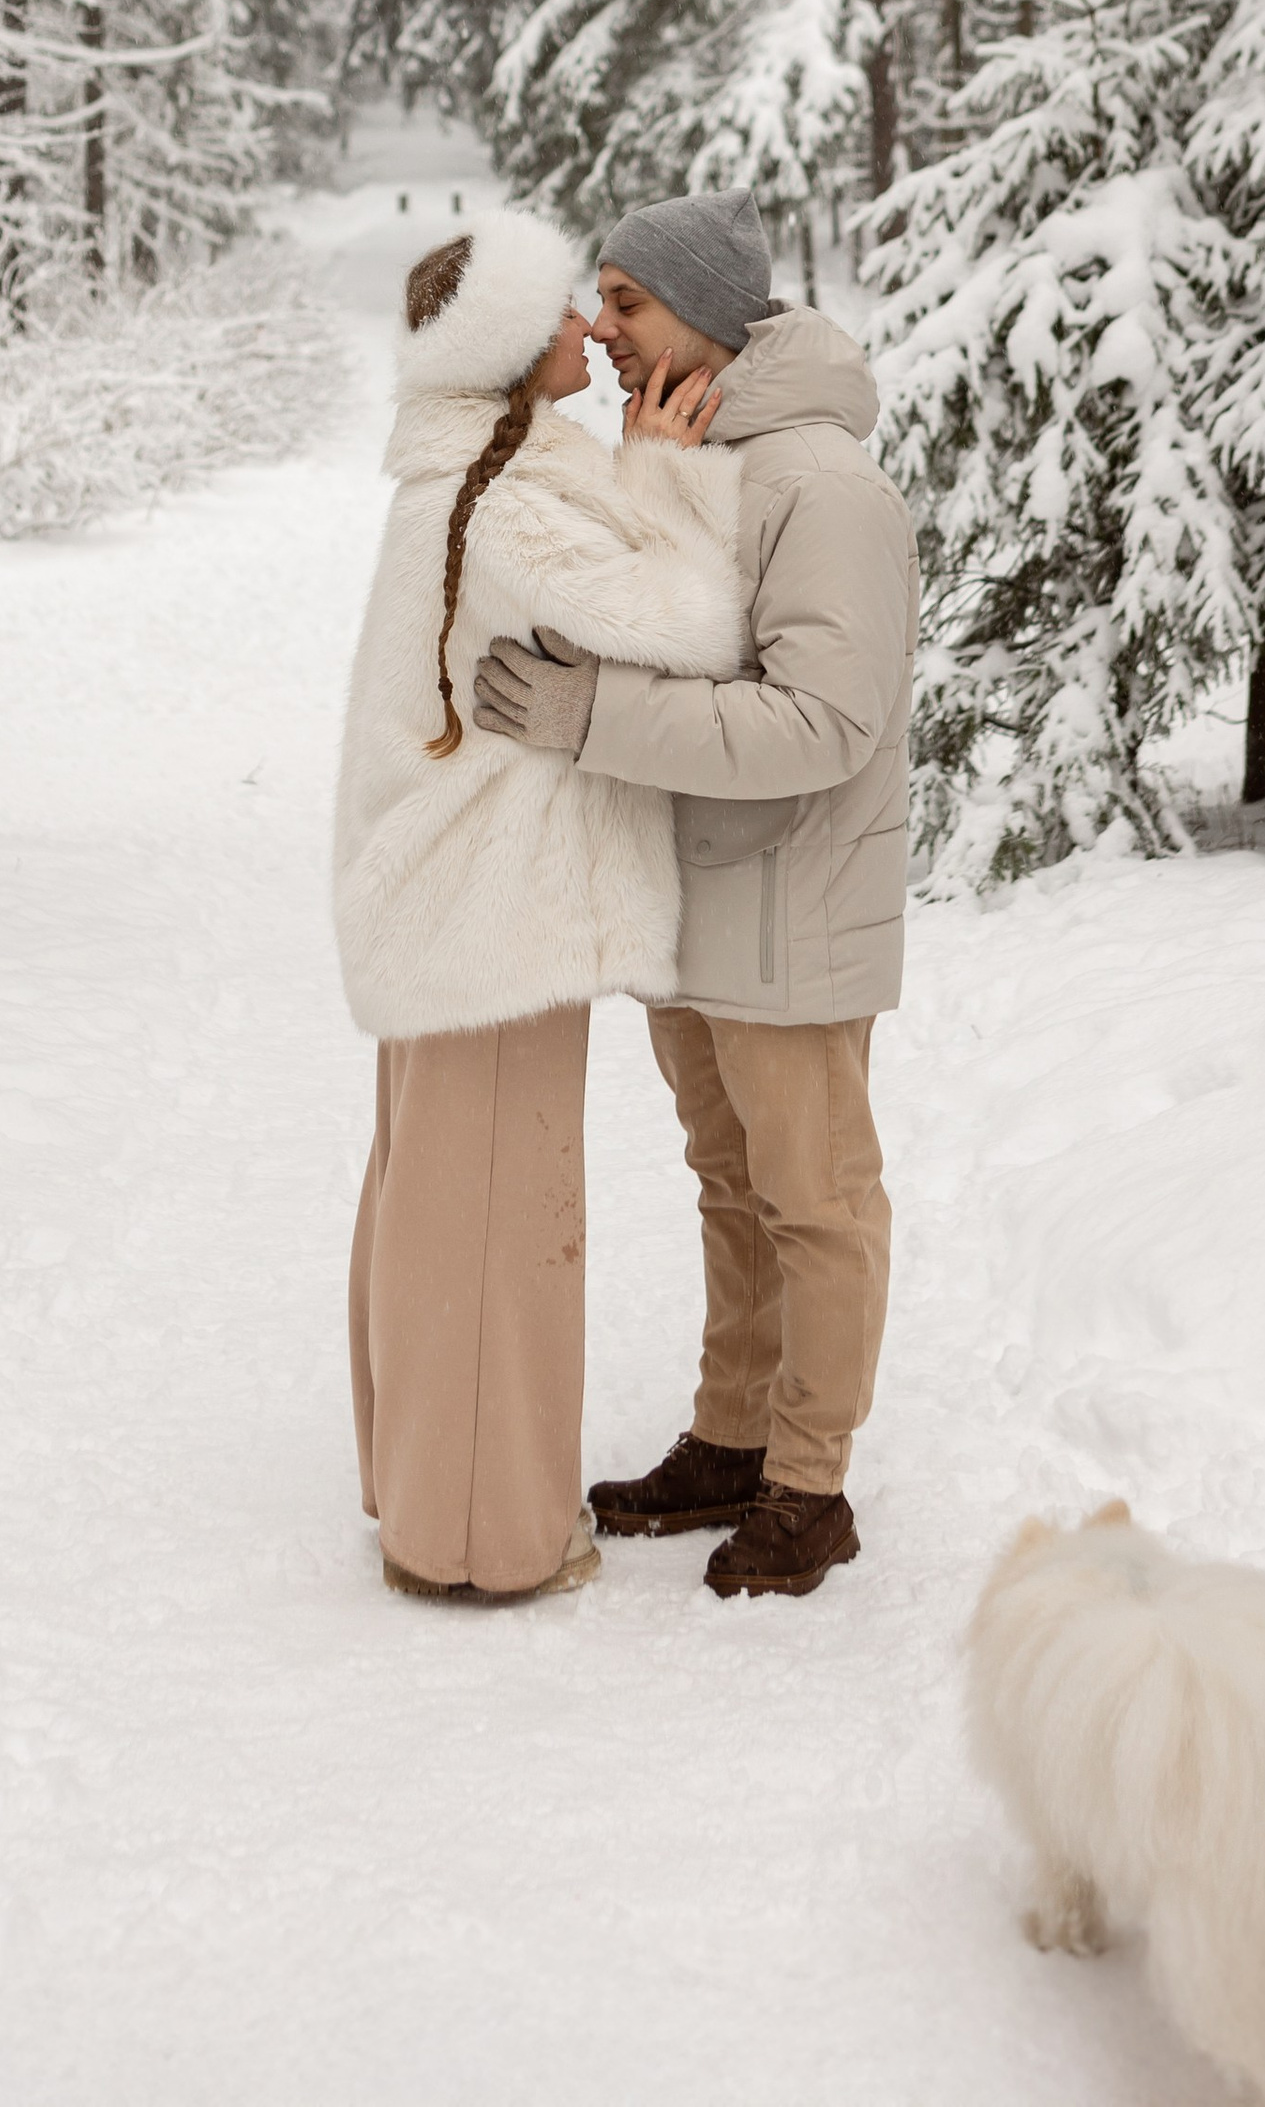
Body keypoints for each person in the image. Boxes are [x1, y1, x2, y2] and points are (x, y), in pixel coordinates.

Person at [474, 185, 918, 1604]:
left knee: (818, 1203)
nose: (598, 331)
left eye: (626, 304)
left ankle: (811, 1485)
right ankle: (733, 1438)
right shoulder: (694, 454)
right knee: (734, 1191)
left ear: (708, 324)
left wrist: (584, 716)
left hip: (788, 908)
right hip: (692, 904)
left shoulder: (820, 489)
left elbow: (821, 726)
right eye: (598, 301)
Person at [335, 208, 745, 1602]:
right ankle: (481, 1538)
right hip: (491, 912)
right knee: (499, 1215)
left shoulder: (490, 473)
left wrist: (634, 475)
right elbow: (689, 624)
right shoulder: (503, 500)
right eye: (567, 312)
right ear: (517, 354)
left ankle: (419, 1487)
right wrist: (675, 481)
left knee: (434, 1196)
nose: (592, 330)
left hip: (452, 904)